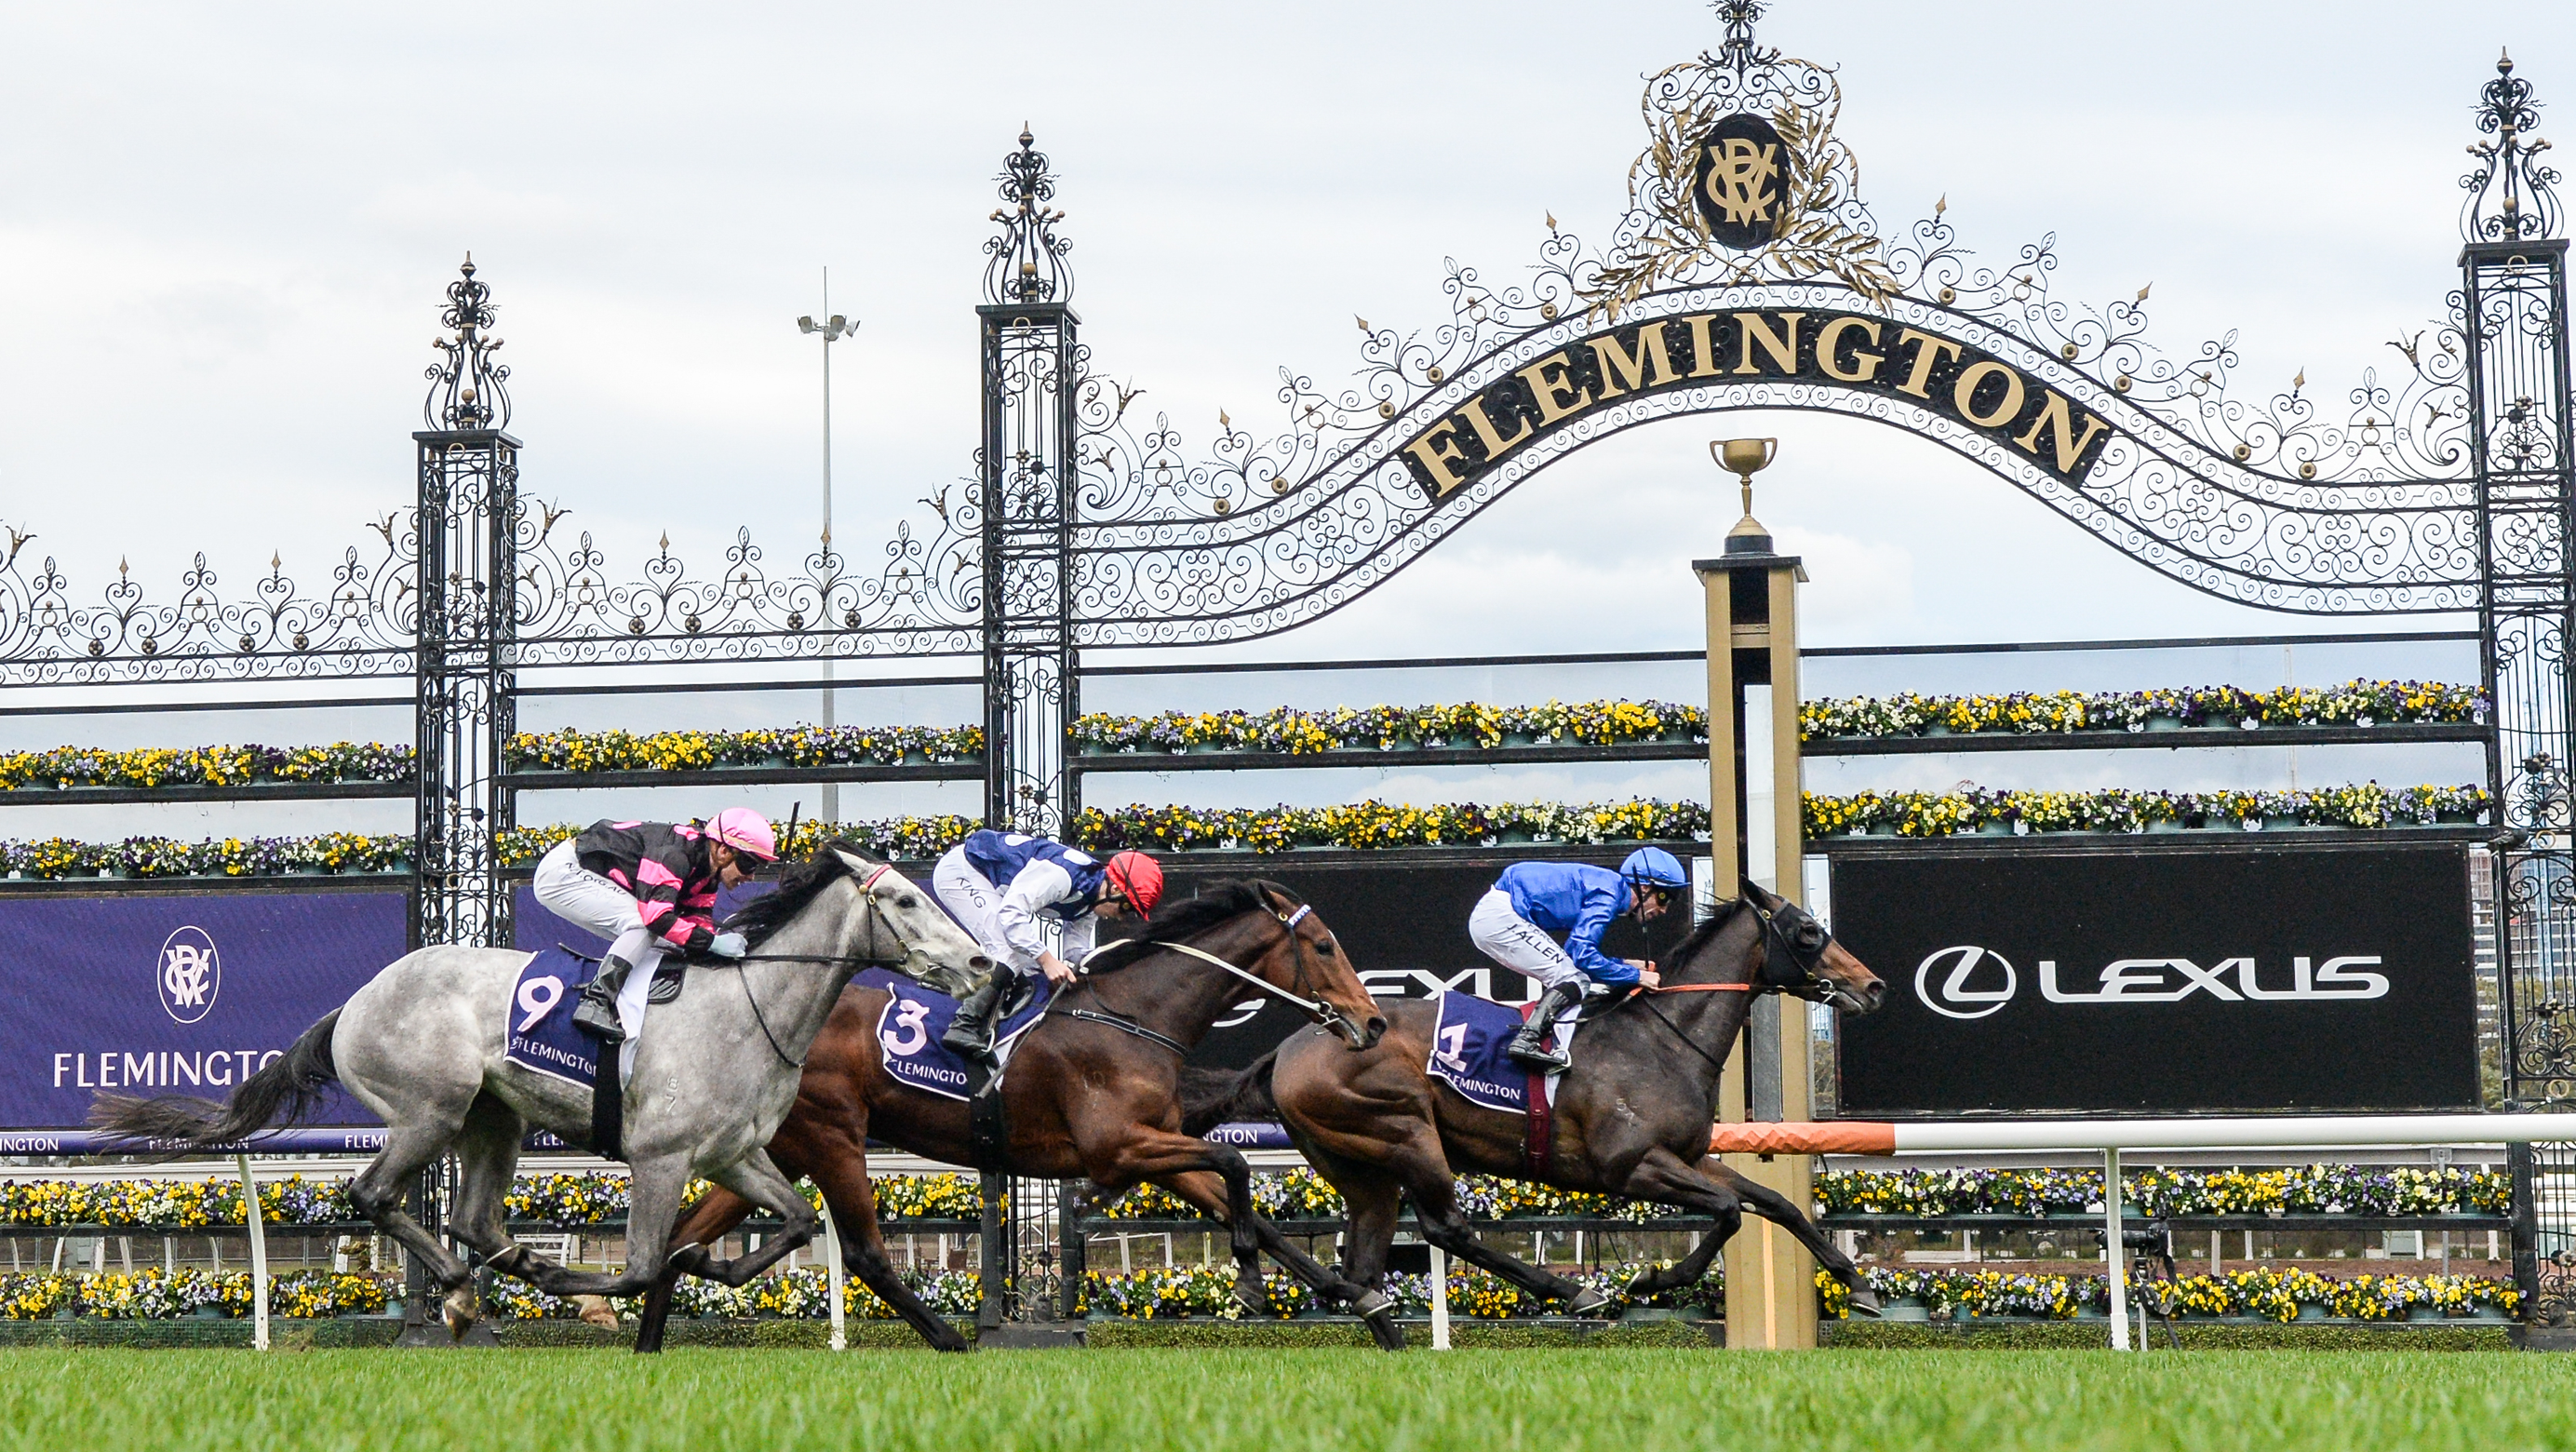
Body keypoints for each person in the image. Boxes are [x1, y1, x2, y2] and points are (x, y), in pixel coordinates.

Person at [530, 809, 779, 1042]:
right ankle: (596, 1000)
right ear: (723, 850)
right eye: (749, 864)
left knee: (671, 939)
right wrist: (713, 943)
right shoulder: (674, 855)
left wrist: (715, 947)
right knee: (645, 925)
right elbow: (657, 918)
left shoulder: (707, 873)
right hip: (565, 872)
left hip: (586, 875)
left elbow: (696, 924)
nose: (751, 876)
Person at [932, 829, 1164, 1063]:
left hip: (990, 882)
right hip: (963, 870)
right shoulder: (1062, 876)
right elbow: (1012, 914)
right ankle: (963, 1026)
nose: (1122, 917)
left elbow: (1076, 950)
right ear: (1115, 889)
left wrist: (1089, 969)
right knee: (1007, 952)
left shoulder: (1094, 896)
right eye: (1127, 908)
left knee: (1028, 966)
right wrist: (1047, 959)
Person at [1472, 846, 1690, 1071]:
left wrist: (1623, 964)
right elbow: (1582, 955)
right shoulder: (1609, 893)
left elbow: (1576, 953)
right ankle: (1527, 1040)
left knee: (1570, 977)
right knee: (1574, 979)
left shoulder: (1609, 887)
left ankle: (1540, 1040)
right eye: (1664, 897)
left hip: (1496, 915)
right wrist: (1636, 976)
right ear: (1644, 886)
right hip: (1501, 917)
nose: (1664, 910)